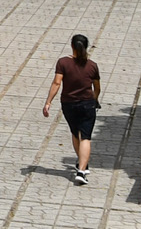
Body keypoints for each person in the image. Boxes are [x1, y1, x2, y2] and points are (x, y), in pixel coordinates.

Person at [43, 33, 101, 185]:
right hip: (87, 104)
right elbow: (97, 87)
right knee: (86, 136)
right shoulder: (92, 66)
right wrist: (95, 99)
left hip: (69, 104)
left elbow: (56, 83)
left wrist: (48, 102)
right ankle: (82, 170)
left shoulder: (63, 62)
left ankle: (82, 162)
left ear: (72, 46)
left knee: (76, 133)